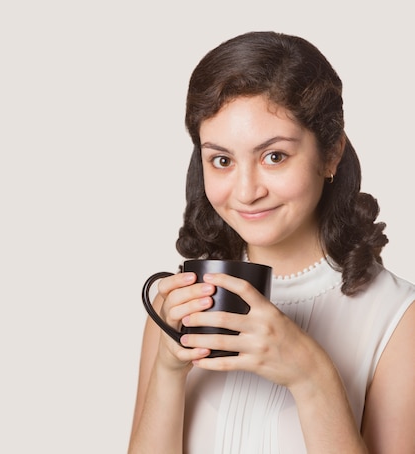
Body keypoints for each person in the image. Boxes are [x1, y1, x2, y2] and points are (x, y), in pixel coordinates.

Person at [128, 31, 415, 454]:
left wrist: (312, 376)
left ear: (331, 153)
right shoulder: (181, 303)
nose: (246, 191)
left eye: (273, 156)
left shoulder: (398, 321)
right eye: (221, 160)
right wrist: (169, 370)